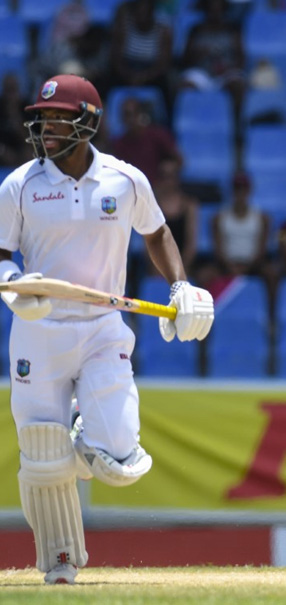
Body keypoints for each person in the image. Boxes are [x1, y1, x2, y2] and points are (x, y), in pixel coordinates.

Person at [0, 74, 215, 584]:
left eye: (58, 119)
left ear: (89, 122)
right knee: (43, 457)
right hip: (39, 329)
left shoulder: (125, 180)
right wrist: (13, 284)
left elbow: (158, 231)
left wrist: (180, 287)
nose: (46, 128)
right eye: (42, 119)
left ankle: (82, 429)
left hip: (102, 329)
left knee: (121, 463)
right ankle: (59, 563)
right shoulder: (20, 184)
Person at [108, 0, 174, 108]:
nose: (142, 15)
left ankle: (166, 120)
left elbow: (163, 64)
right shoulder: (124, 27)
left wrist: (144, 77)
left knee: (166, 85)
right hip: (126, 69)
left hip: (152, 71)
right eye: (139, 11)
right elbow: (116, 58)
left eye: (146, 12)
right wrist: (129, 75)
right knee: (109, 79)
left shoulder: (163, 31)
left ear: (152, 13)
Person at [111, 97, 182, 184]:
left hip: (158, 189)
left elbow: (179, 161)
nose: (129, 119)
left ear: (140, 114)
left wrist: (170, 167)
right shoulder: (118, 144)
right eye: (125, 115)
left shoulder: (158, 135)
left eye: (131, 114)